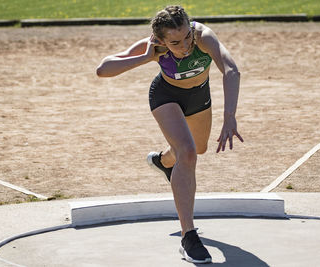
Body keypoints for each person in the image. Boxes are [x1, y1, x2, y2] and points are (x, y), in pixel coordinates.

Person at [96, 5, 243, 264]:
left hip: (199, 97)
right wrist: (145, 57)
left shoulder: (203, 37)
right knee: (187, 153)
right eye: (175, 42)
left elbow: (231, 69)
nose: (185, 45)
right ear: (161, 40)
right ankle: (189, 237)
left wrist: (229, 115)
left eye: (187, 36)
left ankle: (163, 162)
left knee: (196, 149)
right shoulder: (154, 47)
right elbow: (103, 69)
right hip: (166, 96)